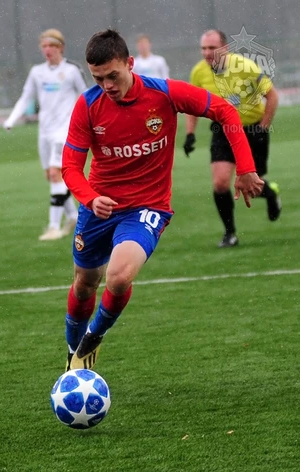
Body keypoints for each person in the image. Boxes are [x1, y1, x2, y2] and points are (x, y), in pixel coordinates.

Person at [60, 29, 263, 371]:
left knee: (119, 277)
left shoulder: (164, 93)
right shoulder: (88, 105)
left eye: (113, 76)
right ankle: (72, 353)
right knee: (84, 285)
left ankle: (92, 339)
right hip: (99, 207)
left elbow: (226, 111)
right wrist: (91, 198)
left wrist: (245, 168)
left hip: (147, 207)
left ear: (130, 63)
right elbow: (70, 166)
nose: (107, 85)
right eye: (98, 78)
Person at [184, 29, 281, 248]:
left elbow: (272, 96)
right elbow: (191, 104)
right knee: (220, 183)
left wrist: (263, 128)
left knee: (252, 187)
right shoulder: (198, 72)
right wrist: (190, 134)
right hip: (223, 131)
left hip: (252, 129)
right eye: (203, 48)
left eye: (212, 48)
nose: (207, 53)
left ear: (225, 48)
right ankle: (230, 233)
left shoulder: (246, 67)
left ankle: (271, 193)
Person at [4, 28, 87, 241]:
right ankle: (73, 216)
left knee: (56, 173)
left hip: (64, 131)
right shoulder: (37, 72)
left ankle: (53, 227)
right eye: (44, 46)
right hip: (45, 132)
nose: (47, 50)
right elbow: (26, 97)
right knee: (51, 176)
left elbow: (86, 96)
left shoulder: (71, 70)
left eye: (51, 45)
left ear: (60, 48)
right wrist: (12, 119)